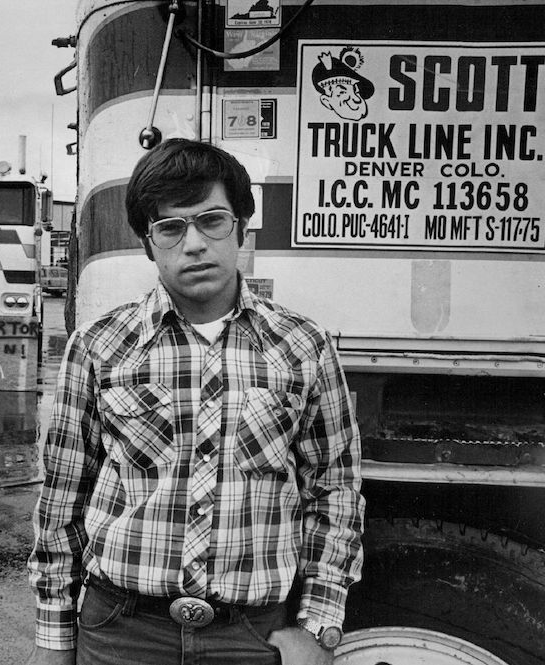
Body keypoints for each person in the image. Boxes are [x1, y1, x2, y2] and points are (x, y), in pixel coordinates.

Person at [27, 139, 364, 665]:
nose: (194, 244)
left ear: (242, 229)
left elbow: (334, 492)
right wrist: (54, 639)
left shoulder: (304, 347)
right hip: (121, 633)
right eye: (171, 227)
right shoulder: (98, 346)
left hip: (251, 638)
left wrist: (318, 625)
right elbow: (62, 500)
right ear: (148, 243)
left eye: (212, 220)